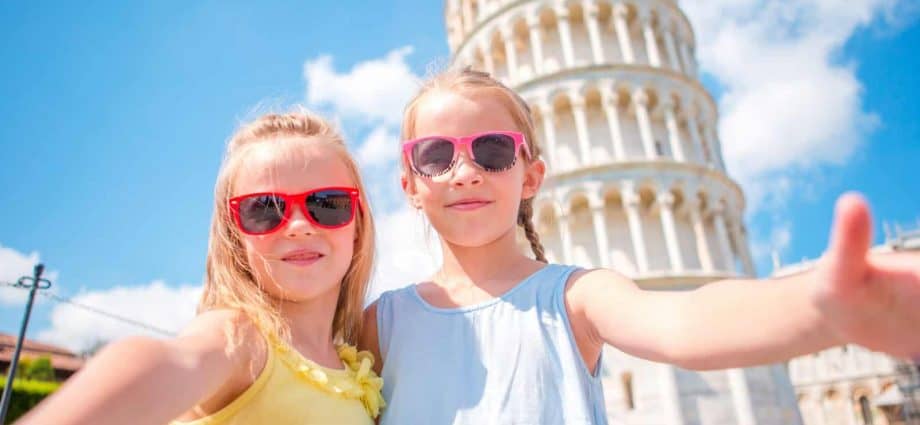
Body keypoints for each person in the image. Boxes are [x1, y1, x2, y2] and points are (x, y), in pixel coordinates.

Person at [360, 68, 920, 424]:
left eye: (492, 151)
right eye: (436, 155)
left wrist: (820, 308)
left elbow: (682, 321)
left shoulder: (575, 297)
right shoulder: (381, 323)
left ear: (530, 176)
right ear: (410, 184)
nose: (464, 171)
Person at [19, 110, 385, 425]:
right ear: (233, 237)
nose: (299, 224)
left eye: (328, 204)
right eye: (264, 209)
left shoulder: (357, 365)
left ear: (358, 226)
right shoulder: (241, 340)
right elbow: (162, 363)